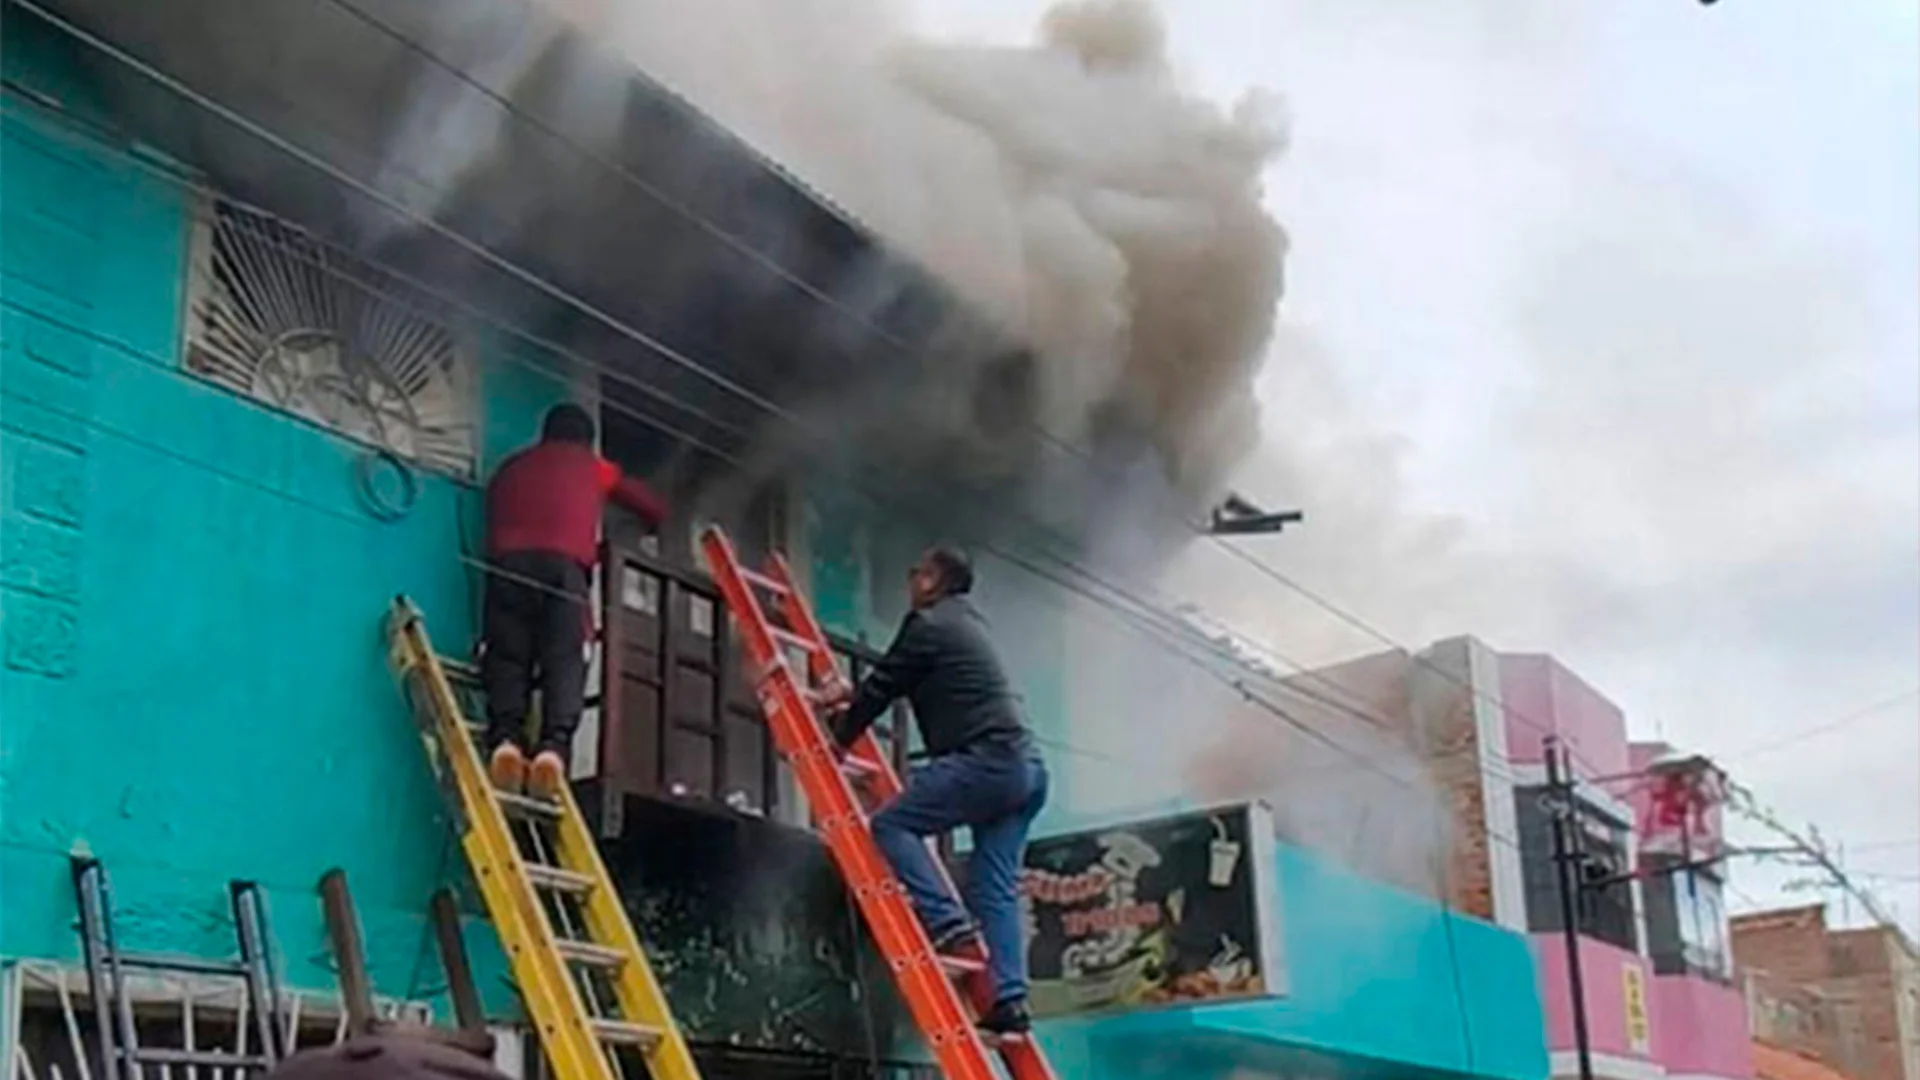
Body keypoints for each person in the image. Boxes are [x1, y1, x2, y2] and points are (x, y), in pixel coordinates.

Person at [818, 546, 1050, 1036]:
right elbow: (899, 678)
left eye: (915, 571)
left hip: (988, 761)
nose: (909, 579)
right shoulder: (968, 626)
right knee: (996, 886)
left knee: (892, 825)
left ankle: (947, 922)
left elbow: (884, 685)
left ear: (932, 580)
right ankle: (1010, 1000)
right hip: (1027, 769)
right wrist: (851, 696)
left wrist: (838, 739)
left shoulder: (926, 624)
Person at [482, 403, 667, 799]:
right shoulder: (592, 467)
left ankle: (505, 741)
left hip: (506, 566)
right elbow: (647, 505)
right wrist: (652, 525)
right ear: (586, 439)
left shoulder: (511, 468)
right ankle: (553, 749)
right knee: (564, 657)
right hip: (564, 570)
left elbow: (495, 502)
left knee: (508, 655)